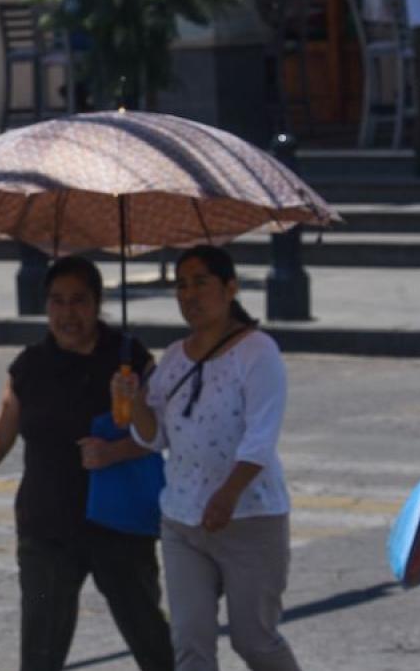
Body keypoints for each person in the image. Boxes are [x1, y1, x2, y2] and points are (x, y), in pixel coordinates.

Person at [0, 256, 174, 671]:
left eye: (79, 300)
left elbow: (161, 435)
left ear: (98, 303)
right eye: (57, 301)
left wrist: (115, 447)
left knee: (152, 642)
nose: (68, 313)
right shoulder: (30, 365)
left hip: (117, 526)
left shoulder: (128, 358)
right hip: (46, 528)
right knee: (41, 653)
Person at [115, 245, 300, 671]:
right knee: (190, 645)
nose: (189, 295)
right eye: (181, 285)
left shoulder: (258, 352)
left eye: (201, 282)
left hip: (250, 519)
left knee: (254, 641)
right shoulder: (176, 356)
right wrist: (134, 402)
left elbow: (261, 437)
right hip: (182, 520)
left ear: (230, 287)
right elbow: (153, 437)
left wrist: (229, 493)